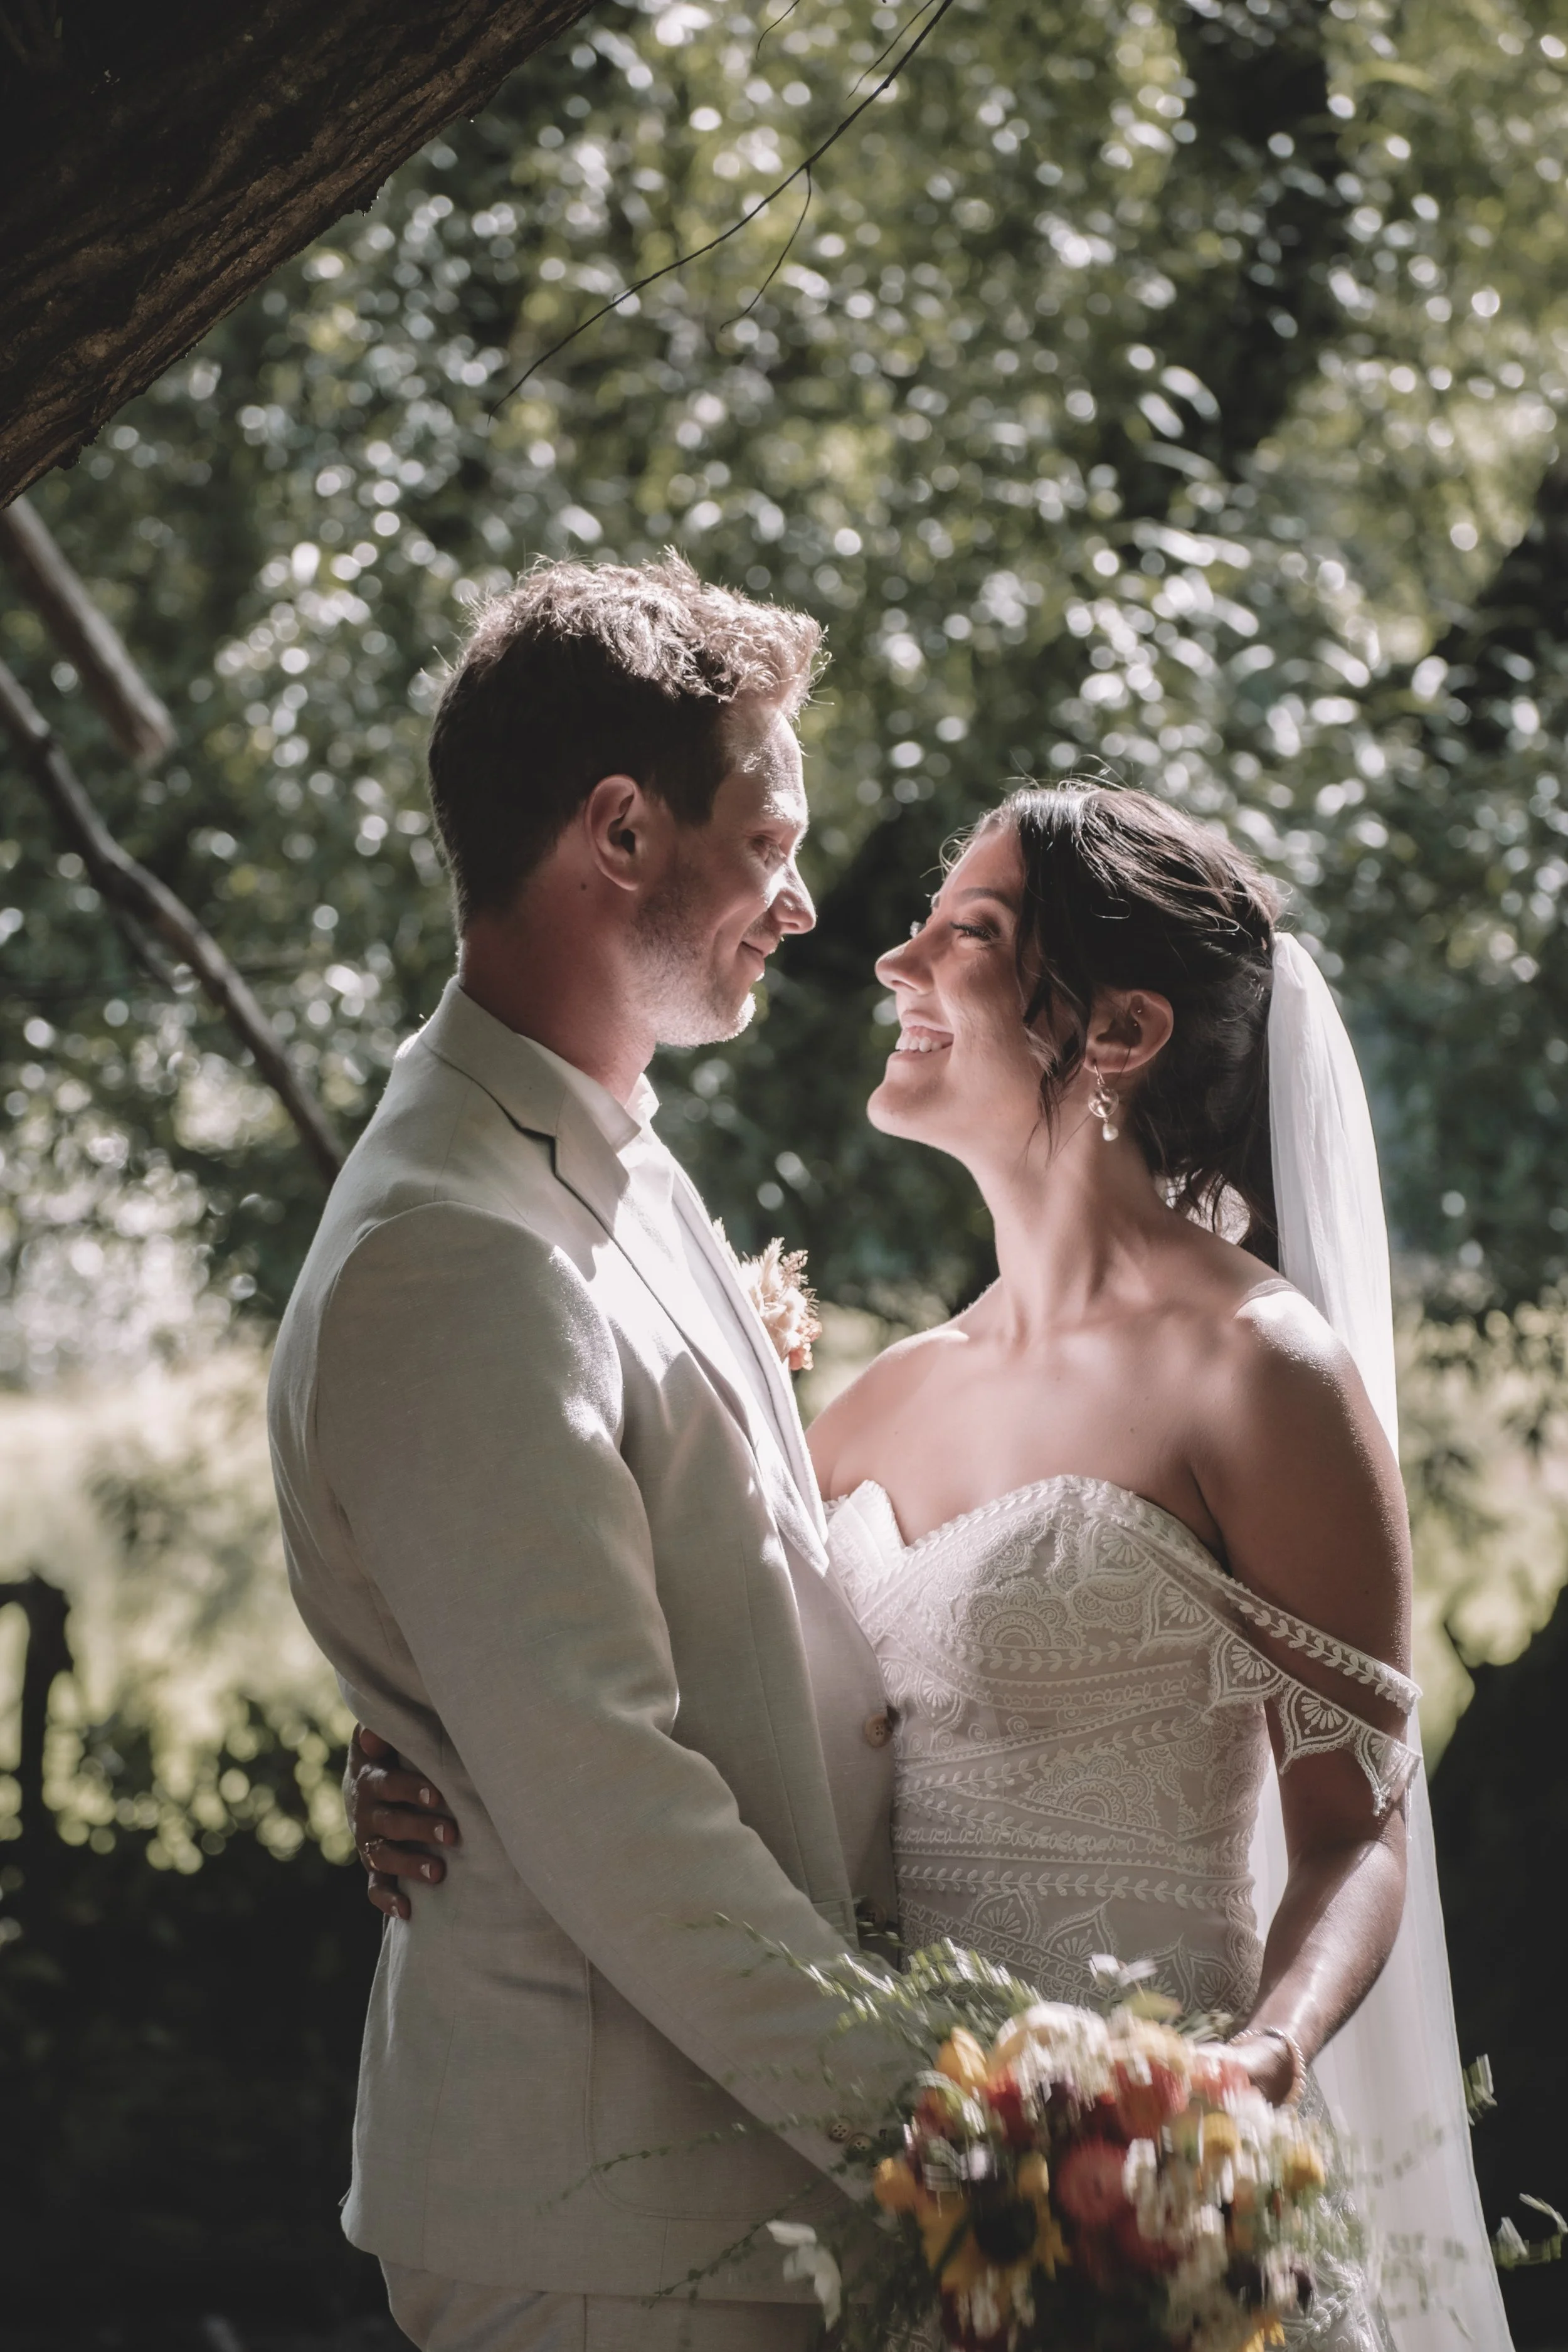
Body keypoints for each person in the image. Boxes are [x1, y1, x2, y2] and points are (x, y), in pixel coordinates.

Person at [358, 783, 1513, 2352]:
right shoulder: (884, 1393)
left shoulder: (1256, 1371)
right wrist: (437, 1734)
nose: (892, 963)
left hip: (1150, 2195)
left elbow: (1354, 1832)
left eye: (962, 933)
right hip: (910, 2205)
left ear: (1117, 1030)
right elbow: (669, 1660)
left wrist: (1248, 2075)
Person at [268, 556, 909, 2352]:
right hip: (613, 2213)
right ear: (619, 830)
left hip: (710, 2169)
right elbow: (609, 1797)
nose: (797, 904)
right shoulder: (454, 1242)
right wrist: (957, 2122)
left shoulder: (592, 1140)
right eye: (769, 839)